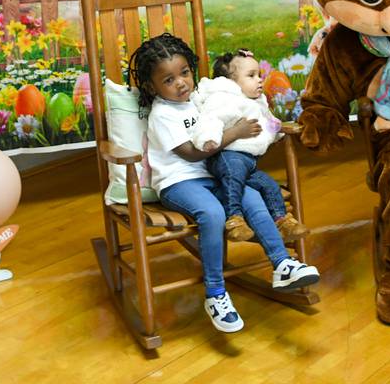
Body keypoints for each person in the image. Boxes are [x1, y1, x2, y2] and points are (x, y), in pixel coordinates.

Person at [128, 34, 320, 333]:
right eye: (169, 80)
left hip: (212, 175)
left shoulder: (198, 100)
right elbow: (192, 154)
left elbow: (226, 100)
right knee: (214, 214)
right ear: (152, 87)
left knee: (253, 198)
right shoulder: (162, 114)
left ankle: (283, 264)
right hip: (179, 182)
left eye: (185, 73)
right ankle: (216, 293)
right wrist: (235, 133)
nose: (181, 83)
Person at [191, 49, 309, 242]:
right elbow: (210, 118)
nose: (260, 80)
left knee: (269, 185)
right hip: (227, 156)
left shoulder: (256, 100)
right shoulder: (223, 98)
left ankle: (282, 219)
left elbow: (268, 121)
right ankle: (234, 219)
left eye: (259, 75)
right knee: (234, 175)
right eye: (251, 76)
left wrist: (277, 130)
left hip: (250, 162)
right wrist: (208, 137)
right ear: (231, 82)